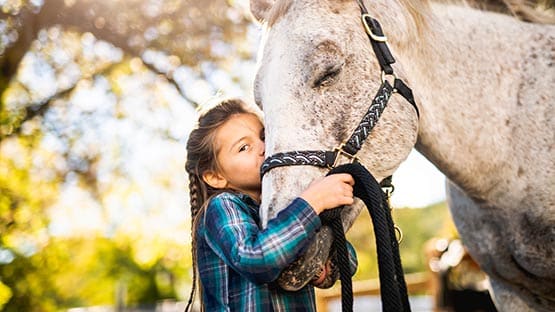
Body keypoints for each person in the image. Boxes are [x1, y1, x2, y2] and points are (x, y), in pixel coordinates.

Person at [185, 98, 357, 311]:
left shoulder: (290, 209)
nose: (263, 147)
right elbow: (255, 258)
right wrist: (315, 201)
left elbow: (349, 262)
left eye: (264, 136)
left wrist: (322, 266)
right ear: (215, 177)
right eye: (244, 147)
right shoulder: (222, 206)